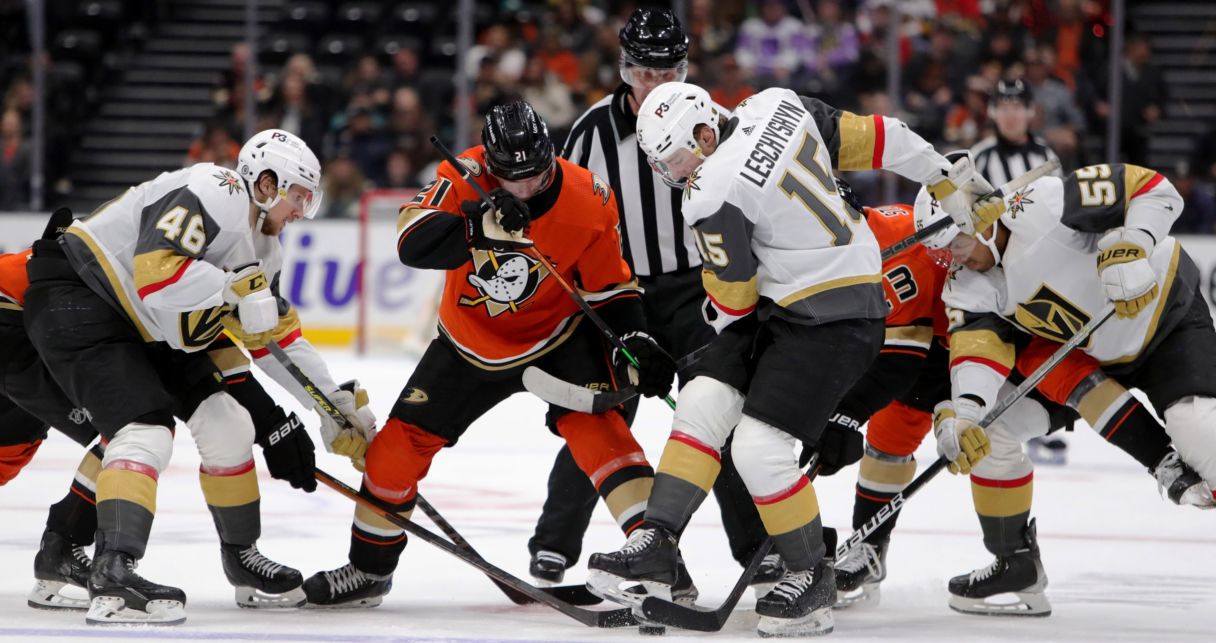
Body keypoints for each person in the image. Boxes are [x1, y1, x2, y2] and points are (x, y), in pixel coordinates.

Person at [586, 80, 986, 637]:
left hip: (828, 319)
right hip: (808, 304)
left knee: (757, 447)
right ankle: (657, 540)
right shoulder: (778, 104)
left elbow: (734, 296)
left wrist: (708, 332)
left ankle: (810, 577)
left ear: (704, 132)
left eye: (675, 157)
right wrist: (942, 176)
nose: (673, 171)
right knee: (702, 399)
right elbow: (882, 137)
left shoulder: (710, 190)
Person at [300, 101, 675, 608]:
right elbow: (412, 244)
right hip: (468, 344)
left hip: (556, 339)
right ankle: (369, 572)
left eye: (535, 175)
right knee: (392, 453)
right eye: (510, 177)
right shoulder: (462, 175)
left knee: (603, 434)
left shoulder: (589, 196)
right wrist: (476, 223)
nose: (522, 187)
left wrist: (636, 340)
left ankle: (656, 561)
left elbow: (613, 288)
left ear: (552, 156)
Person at [21, 129, 375, 624]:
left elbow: (276, 341)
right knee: (143, 430)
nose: (300, 211)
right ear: (266, 183)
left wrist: (332, 406)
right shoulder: (219, 189)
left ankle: (241, 557)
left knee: (229, 423)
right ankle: (114, 571)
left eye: (307, 202)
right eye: (297, 197)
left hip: (143, 325)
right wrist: (231, 288)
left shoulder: (266, 251)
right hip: (80, 294)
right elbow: (156, 272)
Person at [827, 188, 1206, 616]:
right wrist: (954, 410)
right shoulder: (889, 254)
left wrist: (945, 408)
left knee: (1070, 377)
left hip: (1016, 324)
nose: (952, 255)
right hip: (951, 339)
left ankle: (1162, 459)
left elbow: (908, 352)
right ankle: (889, 547)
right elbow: (918, 348)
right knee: (898, 430)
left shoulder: (915, 238)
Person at [528, 7, 770, 600]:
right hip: (619, 296)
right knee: (602, 416)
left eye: (669, 70)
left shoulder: (714, 122)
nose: (657, 84)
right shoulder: (588, 133)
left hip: (699, 289)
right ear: (624, 68)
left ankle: (757, 551)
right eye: (645, 72)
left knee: (717, 416)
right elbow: (565, 222)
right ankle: (553, 542)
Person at [936, 163, 1216, 607]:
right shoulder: (964, 284)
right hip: (1094, 352)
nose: (953, 257)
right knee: (990, 431)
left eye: (956, 241)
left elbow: (1154, 188)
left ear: (980, 222)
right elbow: (977, 349)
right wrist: (966, 412)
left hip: (1166, 319)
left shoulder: (1045, 202)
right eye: (941, 249)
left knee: (1199, 431)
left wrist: (1135, 244)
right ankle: (1016, 564)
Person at [970, 78, 1068, 465]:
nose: (1011, 113)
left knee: (1041, 342)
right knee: (996, 343)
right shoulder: (977, 156)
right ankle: (993, 421)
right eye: (1003, 105)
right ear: (993, 111)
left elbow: (1062, 213)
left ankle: (1032, 421)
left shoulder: (1046, 157)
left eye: (1018, 105)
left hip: (1040, 266)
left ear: (1031, 111)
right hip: (992, 269)